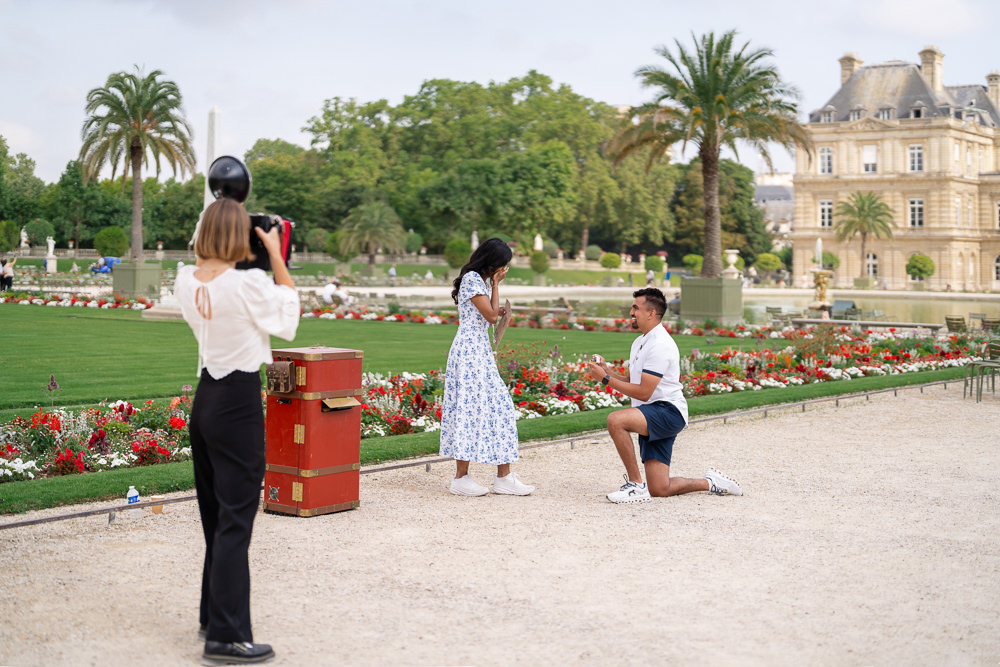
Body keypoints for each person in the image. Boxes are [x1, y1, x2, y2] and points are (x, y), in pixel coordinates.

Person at [175, 197, 299, 665]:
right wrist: (276, 255)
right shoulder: (248, 284)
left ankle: (213, 614)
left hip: (206, 397)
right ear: (239, 236)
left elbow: (212, 268)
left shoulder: (185, 279)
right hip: (237, 402)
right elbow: (288, 317)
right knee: (236, 520)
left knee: (215, 516)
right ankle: (226, 637)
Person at [588, 287, 742, 503]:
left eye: (635, 308)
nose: (631, 313)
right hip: (652, 412)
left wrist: (605, 380)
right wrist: (607, 371)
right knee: (660, 488)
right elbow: (633, 383)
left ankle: (635, 485)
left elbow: (643, 392)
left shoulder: (660, 344)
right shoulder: (640, 341)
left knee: (616, 420)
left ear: (651, 313)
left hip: (667, 411)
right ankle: (712, 482)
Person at [439, 238, 534, 496]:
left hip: (479, 350)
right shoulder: (472, 278)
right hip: (469, 352)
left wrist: (495, 295)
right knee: (469, 408)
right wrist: (496, 285)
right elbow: (491, 316)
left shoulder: (477, 281)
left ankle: (503, 477)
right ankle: (461, 478)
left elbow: (490, 316)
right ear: (492, 262)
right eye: (502, 265)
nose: (504, 269)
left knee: (499, 406)